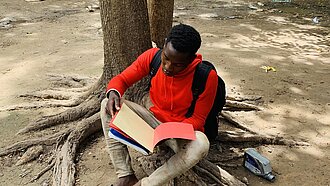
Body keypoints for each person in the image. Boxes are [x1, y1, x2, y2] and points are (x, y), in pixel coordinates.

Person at [100, 23, 218, 186]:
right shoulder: (152, 57)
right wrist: (114, 92)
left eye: (177, 64)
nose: (168, 67)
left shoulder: (206, 76)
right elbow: (122, 79)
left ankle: (147, 184)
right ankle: (125, 175)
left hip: (180, 134)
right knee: (107, 104)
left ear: (191, 59)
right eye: (166, 58)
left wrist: (171, 132)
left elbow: (198, 119)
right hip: (152, 122)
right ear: (164, 45)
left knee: (201, 144)